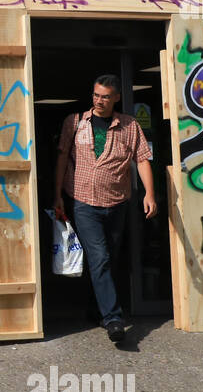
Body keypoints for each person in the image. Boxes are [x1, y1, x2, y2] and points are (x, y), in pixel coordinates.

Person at [52, 75, 156, 344]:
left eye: (105, 96)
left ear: (116, 98)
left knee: (108, 258)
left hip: (117, 203)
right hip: (84, 201)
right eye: (96, 95)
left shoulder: (130, 126)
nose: (99, 101)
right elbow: (62, 157)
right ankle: (113, 319)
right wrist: (57, 197)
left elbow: (142, 160)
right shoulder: (74, 122)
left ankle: (94, 308)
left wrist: (150, 194)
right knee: (100, 257)